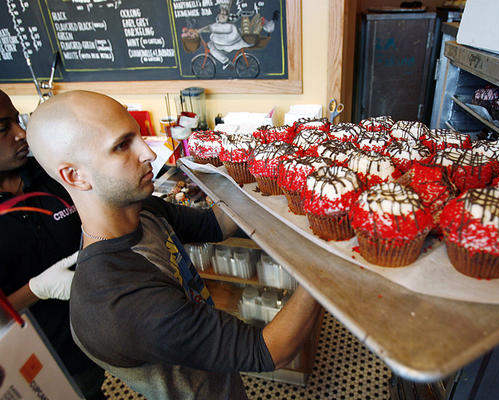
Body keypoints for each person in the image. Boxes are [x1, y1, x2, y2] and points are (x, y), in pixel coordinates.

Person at [26, 90, 322, 400]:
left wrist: (260, 172)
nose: (149, 153)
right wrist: (322, 269)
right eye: (122, 145)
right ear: (75, 175)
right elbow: (271, 351)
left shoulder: (143, 211)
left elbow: (214, 225)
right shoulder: (120, 301)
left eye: (138, 136)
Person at [0, 89, 105, 399]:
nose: (21, 134)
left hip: (90, 344)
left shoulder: (50, 173)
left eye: (18, 121)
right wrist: (36, 289)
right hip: (31, 363)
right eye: (2, 128)